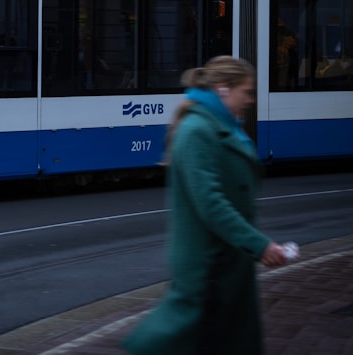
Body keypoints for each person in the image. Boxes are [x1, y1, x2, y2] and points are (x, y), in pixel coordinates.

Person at [123, 56, 291, 355]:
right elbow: (211, 203)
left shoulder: (218, 127)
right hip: (208, 266)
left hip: (224, 262)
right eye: (246, 92)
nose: (250, 100)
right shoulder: (197, 131)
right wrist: (259, 245)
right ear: (224, 89)